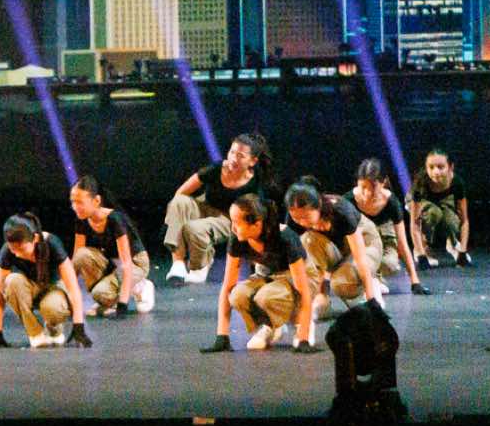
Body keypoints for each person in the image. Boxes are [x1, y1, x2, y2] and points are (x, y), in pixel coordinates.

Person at [199, 192, 313, 353]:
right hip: (267, 275)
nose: (233, 227)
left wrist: (304, 338)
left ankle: (301, 323)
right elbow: (228, 285)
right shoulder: (237, 238)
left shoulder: (284, 238)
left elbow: (304, 291)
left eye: (237, 222)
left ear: (256, 224)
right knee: (237, 295)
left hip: (298, 277)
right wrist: (222, 336)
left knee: (265, 297)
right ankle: (272, 325)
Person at [162, 132, 276, 285]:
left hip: (230, 219)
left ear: (252, 161)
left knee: (195, 228)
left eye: (240, 156)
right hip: (205, 208)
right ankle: (178, 264)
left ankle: (199, 267)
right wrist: (174, 215)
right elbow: (181, 192)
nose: (234, 158)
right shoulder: (217, 169)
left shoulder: (254, 184)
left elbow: (256, 218)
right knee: (178, 201)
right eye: (232, 152)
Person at [284, 180, 386, 328]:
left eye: (306, 216)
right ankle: (322, 298)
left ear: (318, 206)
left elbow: (360, 257)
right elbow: (299, 264)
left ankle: (372, 284)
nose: (301, 222)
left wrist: (371, 299)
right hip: (336, 252)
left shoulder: (341, 211)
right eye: (296, 218)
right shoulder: (294, 221)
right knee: (307, 240)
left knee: (342, 284)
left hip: (364, 243)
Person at [0, 214, 91, 350]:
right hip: (30, 289)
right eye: (12, 249)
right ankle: (36, 333)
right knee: (10, 281)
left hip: (54, 289)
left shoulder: (52, 244)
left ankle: (53, 328)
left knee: (52, 308)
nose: (16, 254)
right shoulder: (7, 251)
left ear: (34, 238)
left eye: (21, 249)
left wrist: (79, 327)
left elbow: (73, 288)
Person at [68, 175, 154, 317]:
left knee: (100, 293)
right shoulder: (81, 220)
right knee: (82, 255)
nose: (75, 207)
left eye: (80, 202)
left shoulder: (115, 219)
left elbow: (126, 263)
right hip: (110, 263)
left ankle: (140, 287)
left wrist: (123, 304)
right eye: (73, 202)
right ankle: (106, 299)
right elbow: (76, 261)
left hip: (135, 263)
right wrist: (66, 296)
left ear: (96, 201)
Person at [351, 158, 427, 295]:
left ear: (383, 183)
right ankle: (370, 280)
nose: (367, 193)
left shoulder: (391, 202)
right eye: (363, 187)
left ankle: (373, 278)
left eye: (373, 187)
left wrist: (415, 281)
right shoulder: (349, 200)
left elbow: (402, 243)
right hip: (362, 243)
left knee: (391, 264)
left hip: (385, 240)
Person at [409, 148, 472, 268]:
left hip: (444, 200)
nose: (436, 172)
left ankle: (452, 244)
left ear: (450, 167)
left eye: (440, 167)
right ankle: (423, 248)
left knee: (451, 220)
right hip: (423, 203)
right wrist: (421, 255)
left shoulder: (457, 183)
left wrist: (463, 251)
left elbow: (464, 221)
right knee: (434, 213)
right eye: (431, 167)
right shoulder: (420, 183)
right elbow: (415, 223)